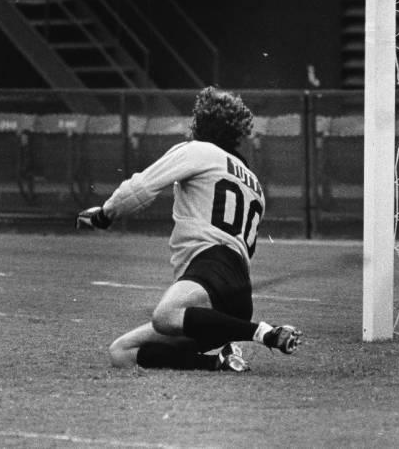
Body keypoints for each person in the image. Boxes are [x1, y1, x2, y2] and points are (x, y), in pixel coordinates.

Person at [76, 86, 302, 372]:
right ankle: (220, 361)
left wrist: (104, 215)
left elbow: (141, 187)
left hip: (211, 268)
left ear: (199, 123)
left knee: (165, 316)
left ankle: (265, 333)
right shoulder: (254, 184)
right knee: (122, 352)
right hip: (238, 293)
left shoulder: (199, 151)